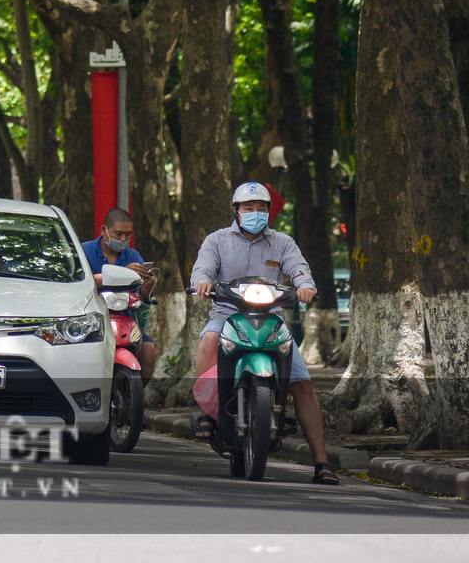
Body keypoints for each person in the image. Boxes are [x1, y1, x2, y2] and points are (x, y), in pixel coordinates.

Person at [190, 181, 337, 485]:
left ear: (269, 211)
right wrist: (203, 283)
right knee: (208, 340)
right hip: (227, 315)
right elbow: (202, 269)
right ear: (236, 210)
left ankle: (322, 463)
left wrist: (305, 286)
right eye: (248, 207)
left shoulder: (282, 243)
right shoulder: (217, 241)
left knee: (303, 385)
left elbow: (298, 269)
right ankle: (206, 411)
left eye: (261, 207)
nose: (255, 212)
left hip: (271, 320)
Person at [81, 208, 158, 382]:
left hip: (125, 322)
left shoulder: (133, 256)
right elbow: (81, 281)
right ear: (104, 231)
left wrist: (148, 286)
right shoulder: (84, 252)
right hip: (92, 320)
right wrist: (122, 272)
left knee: (149, 350)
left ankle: (135, 395)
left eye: (127, 234)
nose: (123, 239)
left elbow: (143, 295)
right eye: (118, 234)